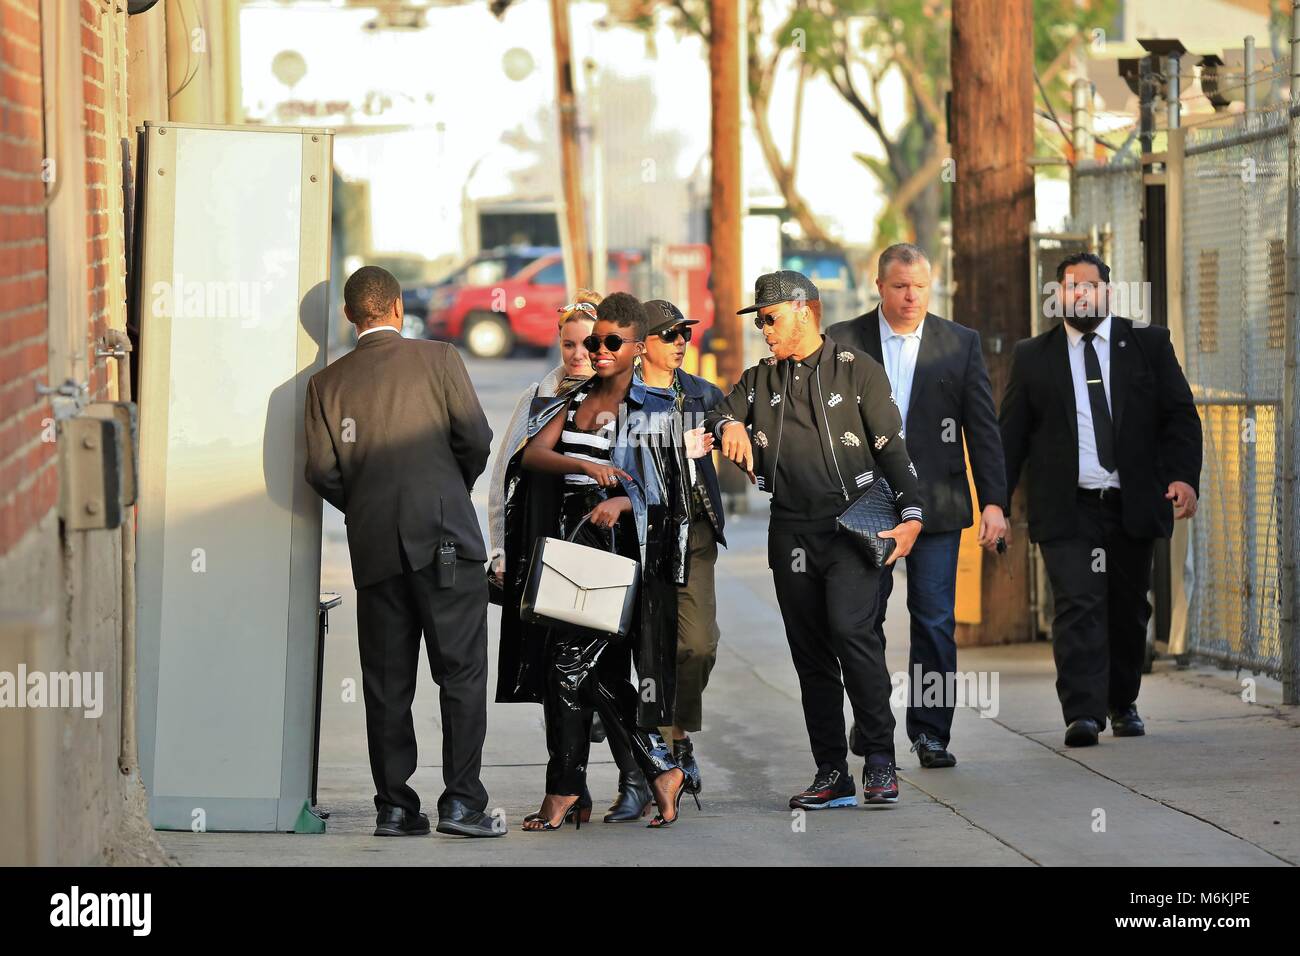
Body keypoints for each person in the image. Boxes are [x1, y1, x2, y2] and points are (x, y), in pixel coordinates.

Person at [704, 271, 925, 809]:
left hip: (852, 525)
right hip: (792, 530)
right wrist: (726, 426)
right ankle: (832, 772)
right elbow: (717, 409)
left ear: (803, 310)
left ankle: (878, 758)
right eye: (758, 319)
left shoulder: (855, 371)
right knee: (810, 655)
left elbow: (892, 449)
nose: (763, 328)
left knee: (853, 635)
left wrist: (913, 516)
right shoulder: (759, 380)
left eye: (770, 318)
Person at [303, 266, 502, 838]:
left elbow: (321, 470)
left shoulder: (326, 385)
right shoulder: (439, 359)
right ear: (395, 308)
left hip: (376, 551)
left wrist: (369, 506)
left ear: (349, 317)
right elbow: (476, 439)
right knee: (460, 676)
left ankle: (394, 807)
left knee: (387, 685)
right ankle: (462, 804)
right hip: (445, 543)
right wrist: (444, 491)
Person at [497, 291, 696, 830]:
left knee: (565, 663)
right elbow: (532, 454)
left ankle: (564, 790)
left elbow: (672, 493)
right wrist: (589, 466)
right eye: (593, 341)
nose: (599, 350)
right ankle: (660, 766)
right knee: (594, 670)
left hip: (619, 551)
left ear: (636, 347)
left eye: (612, 342)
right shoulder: (574, 397)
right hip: (570, 544)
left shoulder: (651, 407)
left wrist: (622, 497)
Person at [999, 252, 1202, 747]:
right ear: (1057, 297)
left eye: (1090, 286)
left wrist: (1182, 478)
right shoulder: (1033, 357)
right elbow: (1010, 438)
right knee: (1077, 605)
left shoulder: (1149, 345)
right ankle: (1083, 712)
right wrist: (995, 504)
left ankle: (1122, 700)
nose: (1081, 295)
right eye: (1070, 287)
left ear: (1108, 293)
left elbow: (1179, 416)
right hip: (1069, 508)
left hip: (1131, 502)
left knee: (1128, 609)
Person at [827, 243, 1007, 769]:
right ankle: (872, 715)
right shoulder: (842, 340)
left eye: (921, 286)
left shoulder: (960, 343)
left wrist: (994, 502)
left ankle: (931, 733)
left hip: (938, 504)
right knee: (863, 620)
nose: (911, 296)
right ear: (880, 286)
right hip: (866, 505)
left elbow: (983, 429)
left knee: (933, 621)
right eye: (901, 286)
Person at [636, 298, 726, 798]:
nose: (679, 343)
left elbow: (728, 416)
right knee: (645, 647)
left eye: (684, 335)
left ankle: (677, 731)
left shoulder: (699, 391)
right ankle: (652, 752)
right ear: (643, 344)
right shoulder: (623, 396)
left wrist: (731, 429)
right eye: (668, 335)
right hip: (639, 536)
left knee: (697, 644)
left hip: (694, 534)